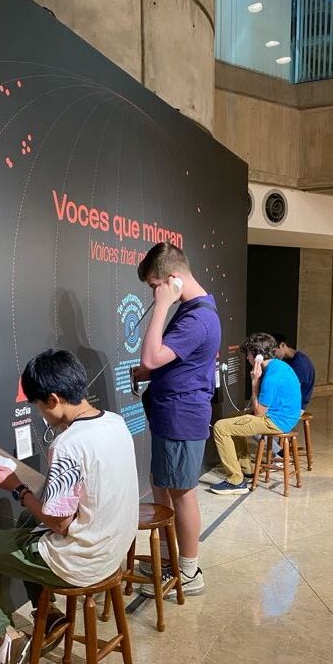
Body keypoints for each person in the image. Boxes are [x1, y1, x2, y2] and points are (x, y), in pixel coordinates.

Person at [0, 349, 139, 664]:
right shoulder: (114, 422)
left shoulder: (68, 444)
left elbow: (59, 525)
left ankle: (3, 637)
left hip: (83, 562)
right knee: (28, 520)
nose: (40, 415)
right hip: (114, 549)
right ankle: (49, 615)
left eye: (39, 406)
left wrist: (16, 488)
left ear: (54, 400)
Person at [131, 242, 221, 596]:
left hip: (181, 417)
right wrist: (149, 372)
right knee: (163, 485)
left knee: (183, 493)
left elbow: (151, 357)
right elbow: (166, 360)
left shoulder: (197, 317)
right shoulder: (195, 310)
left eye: (156, 286)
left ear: (172, 279)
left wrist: (162, 304)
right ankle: (169, 558)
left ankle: (188, 570)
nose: (154, 293)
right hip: (171, 413)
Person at [210, 332, 301, 494]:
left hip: (276, 421)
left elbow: (259, 413)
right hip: (283, 416)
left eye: (248, 354)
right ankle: (246, 469)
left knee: (220, 427)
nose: (247, 358)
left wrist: (255, 382)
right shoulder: (278, 366)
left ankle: (235, 481)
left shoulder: (271, 377)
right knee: (231, 418)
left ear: (257, 355)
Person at [273, 333, 315, 409]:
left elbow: (293, 389)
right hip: (287, 401)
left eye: (274, 351)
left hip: (296, 405)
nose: (273, 355)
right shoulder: (285, 360)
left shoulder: (300, 362)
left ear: (282, 345)